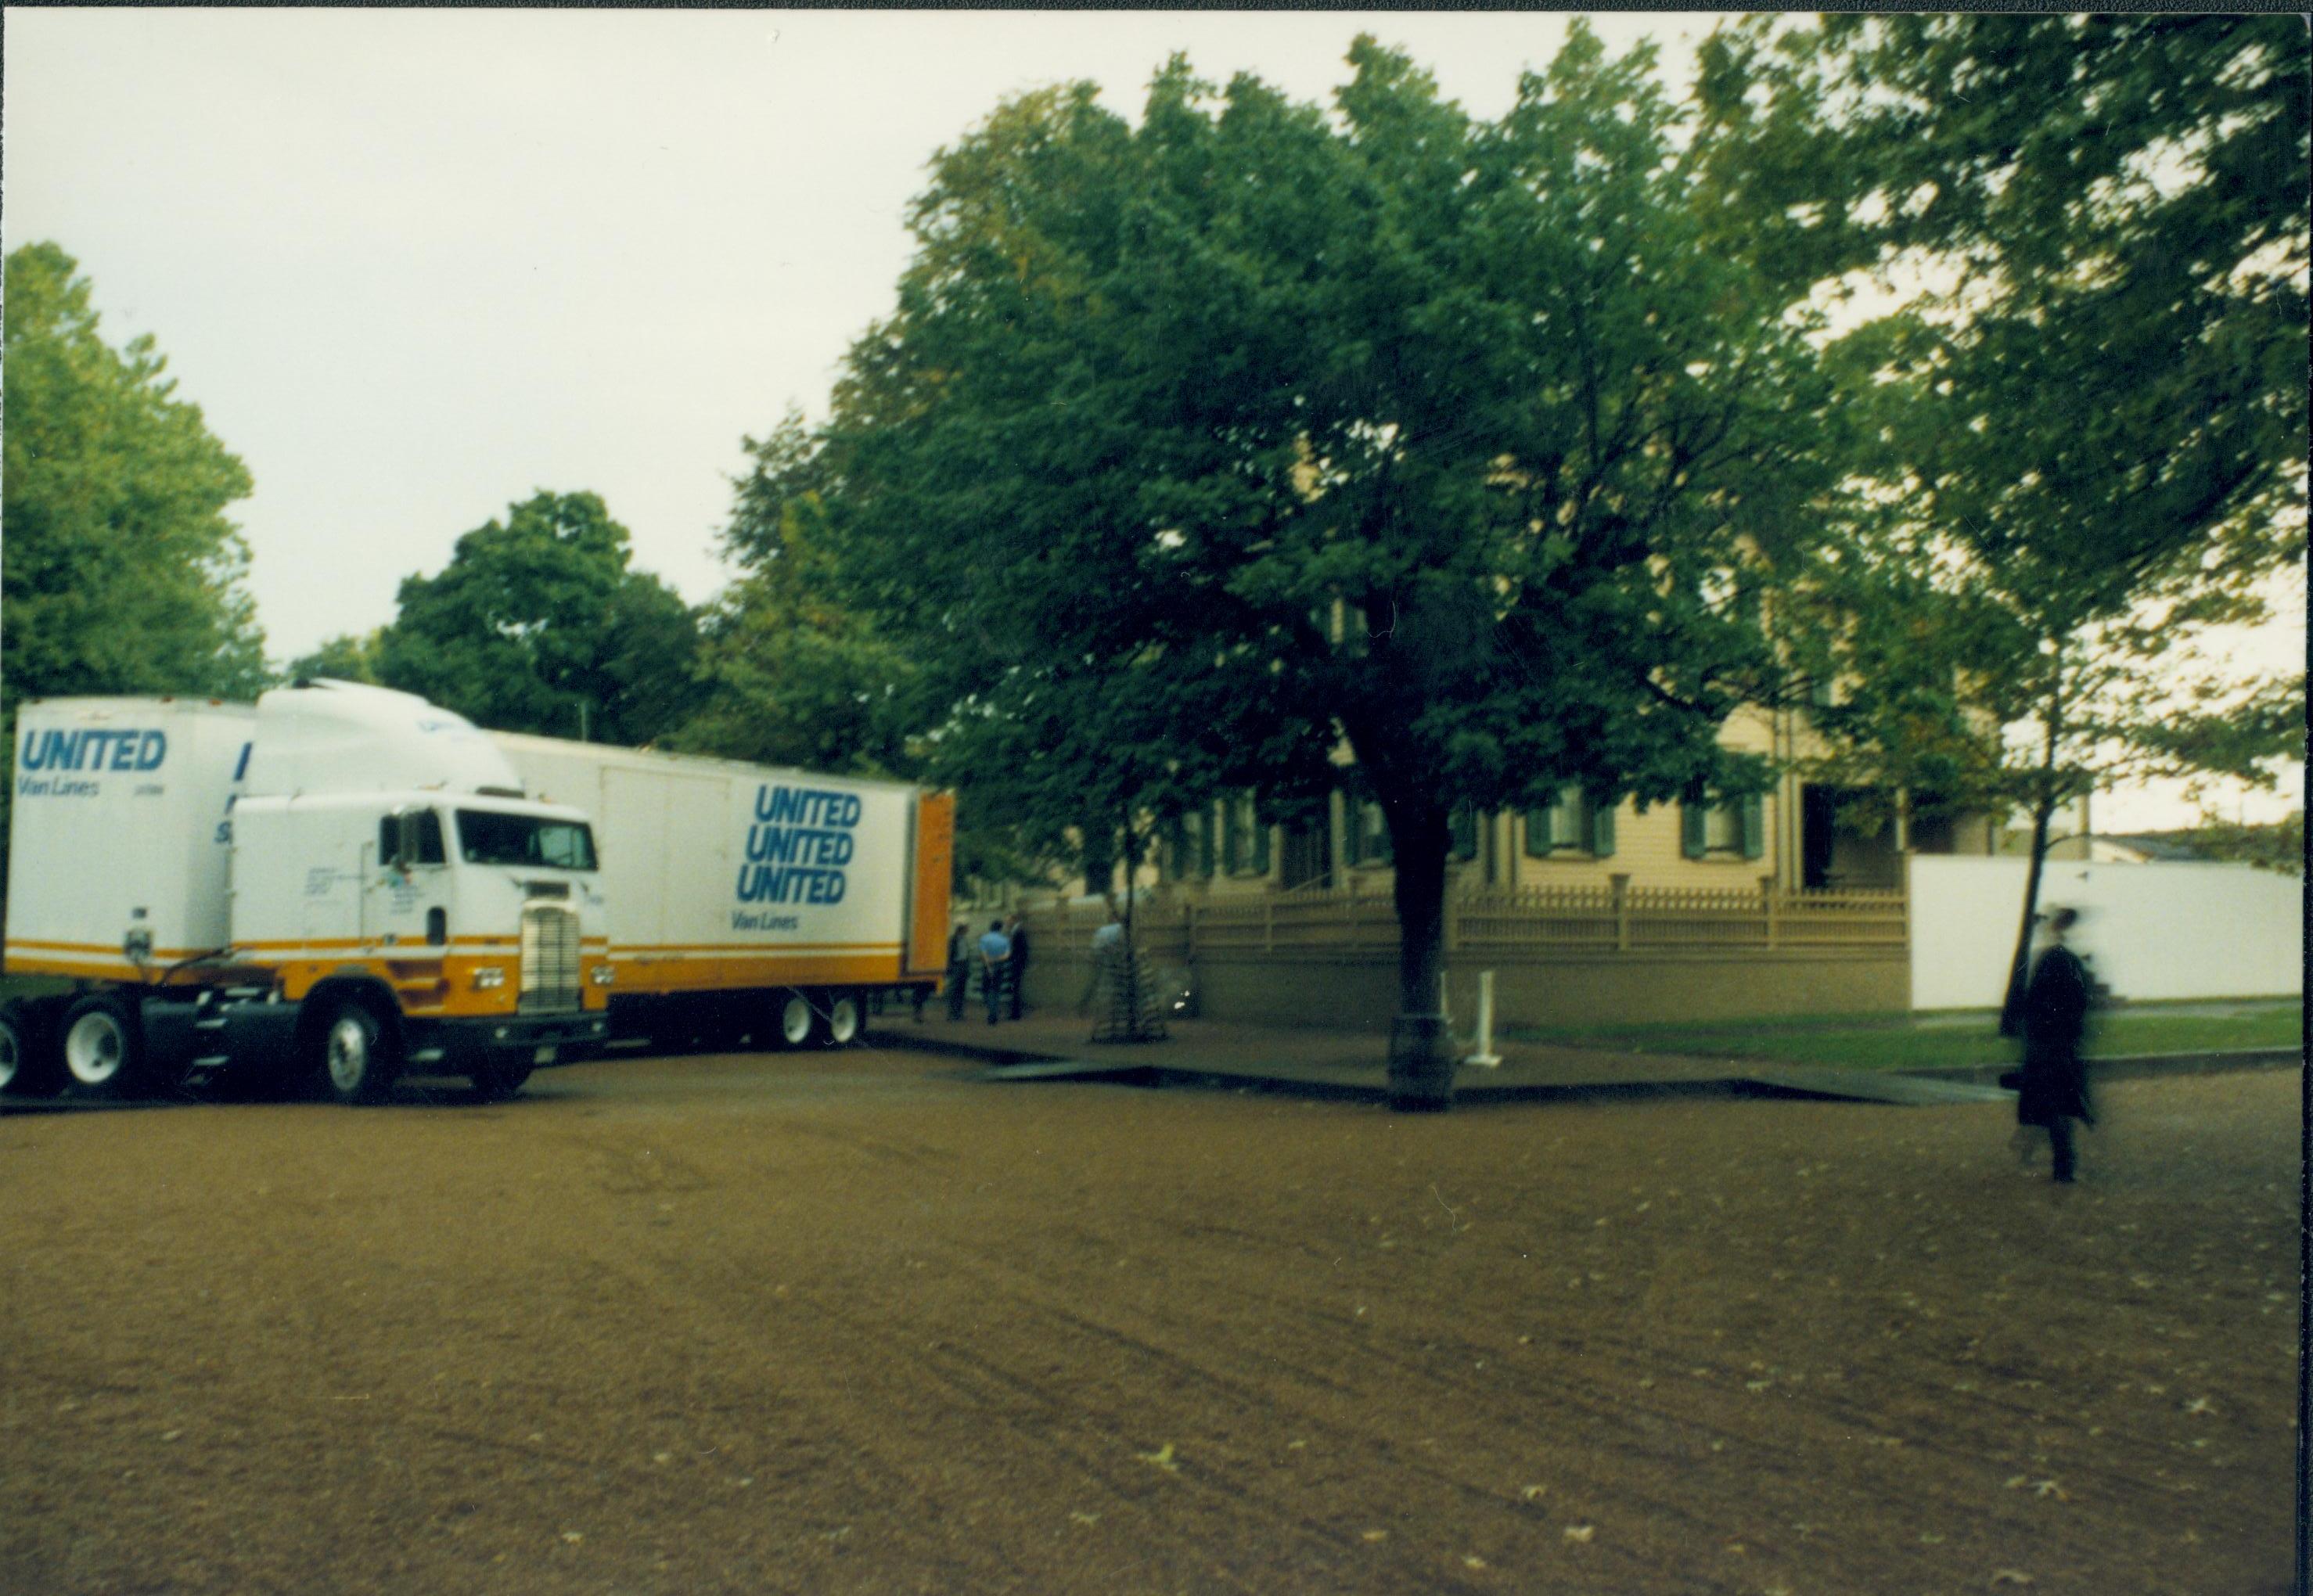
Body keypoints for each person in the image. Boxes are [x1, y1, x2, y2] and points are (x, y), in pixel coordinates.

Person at [2013, 906, 2098, 1184]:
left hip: (2045, 1045)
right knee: (2058, 1106)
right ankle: (2062, 1167)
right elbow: (2077, 1004)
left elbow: (2033, 1004)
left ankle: (2034, 1153)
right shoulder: (2065, 961)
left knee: (2046, 1104)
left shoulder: (2046, 960)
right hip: (2059, 1046)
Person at [976, 918, 1011, 1026]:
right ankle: (994, 1011)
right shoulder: (1005, 940)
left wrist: (989, 964)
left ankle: (992, 1011)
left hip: (987, 966)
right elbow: (1007, 955)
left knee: (985, 990)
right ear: (1000, 928)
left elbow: (983, 954)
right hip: (999, 966)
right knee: (996, 991)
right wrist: (997, 959)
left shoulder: (984, 939)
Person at [1004, 912, 1031, 1019]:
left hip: (1017, 963)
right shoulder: (1016, 931)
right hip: (1017, 962)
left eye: (1008, 920)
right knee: (1015, 987)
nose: (1006, 923)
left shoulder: (1018, 931)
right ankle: (1015, 1012)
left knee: (1015, 988)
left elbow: (1020, 949)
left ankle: (1015, 1013)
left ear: (1013, 920)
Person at [945, 920, 970, 1023]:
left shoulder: (964, 940)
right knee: (954, 990)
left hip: (964, 965)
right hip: (956, 965)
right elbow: (949, 954)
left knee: (961, 991)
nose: (968, 929)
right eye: (967, 927)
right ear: (962, 928)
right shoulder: (953, 940)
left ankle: (959, 1013)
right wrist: (949, 968)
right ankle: (952, 1013)